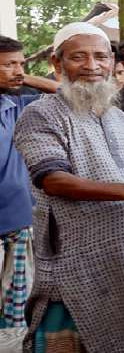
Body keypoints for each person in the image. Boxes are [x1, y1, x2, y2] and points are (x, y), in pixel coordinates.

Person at [12, 22, 124, 352]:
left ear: (111, 63)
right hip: (79, 258)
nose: (92, 66)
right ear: (57, 64)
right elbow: (52, 179)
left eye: (101, 57)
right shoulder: (40, 114)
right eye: (79, 57)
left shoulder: (117, 117)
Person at [0, 36, 43, 329]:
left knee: (15, 310)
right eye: (9, 64)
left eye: (21, 63)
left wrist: (20, 75)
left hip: (18, 222)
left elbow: (67, 93)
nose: (18, 70)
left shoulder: (19, 106)